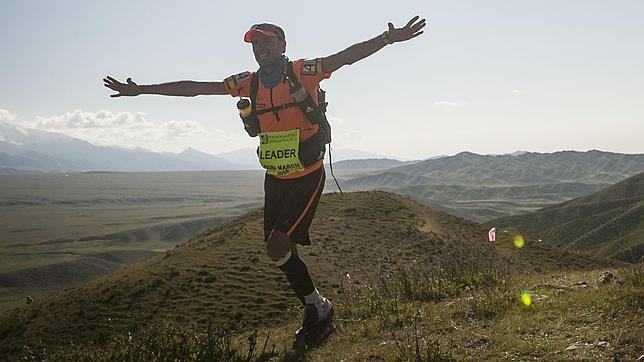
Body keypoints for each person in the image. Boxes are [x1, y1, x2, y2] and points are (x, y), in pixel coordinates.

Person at [103, 16, 426, 348]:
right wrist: (141, 90)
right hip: (275, 177)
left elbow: (345, 56)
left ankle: (318, 308)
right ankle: (316, 309)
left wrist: (386, 39)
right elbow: (196, 88)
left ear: (283, 46)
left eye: (267, 42)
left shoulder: (304, 70)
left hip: (306, 175)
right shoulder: (248, 83)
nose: (261, 49)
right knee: (279, 251)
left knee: (276, 244)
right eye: (256, 44)